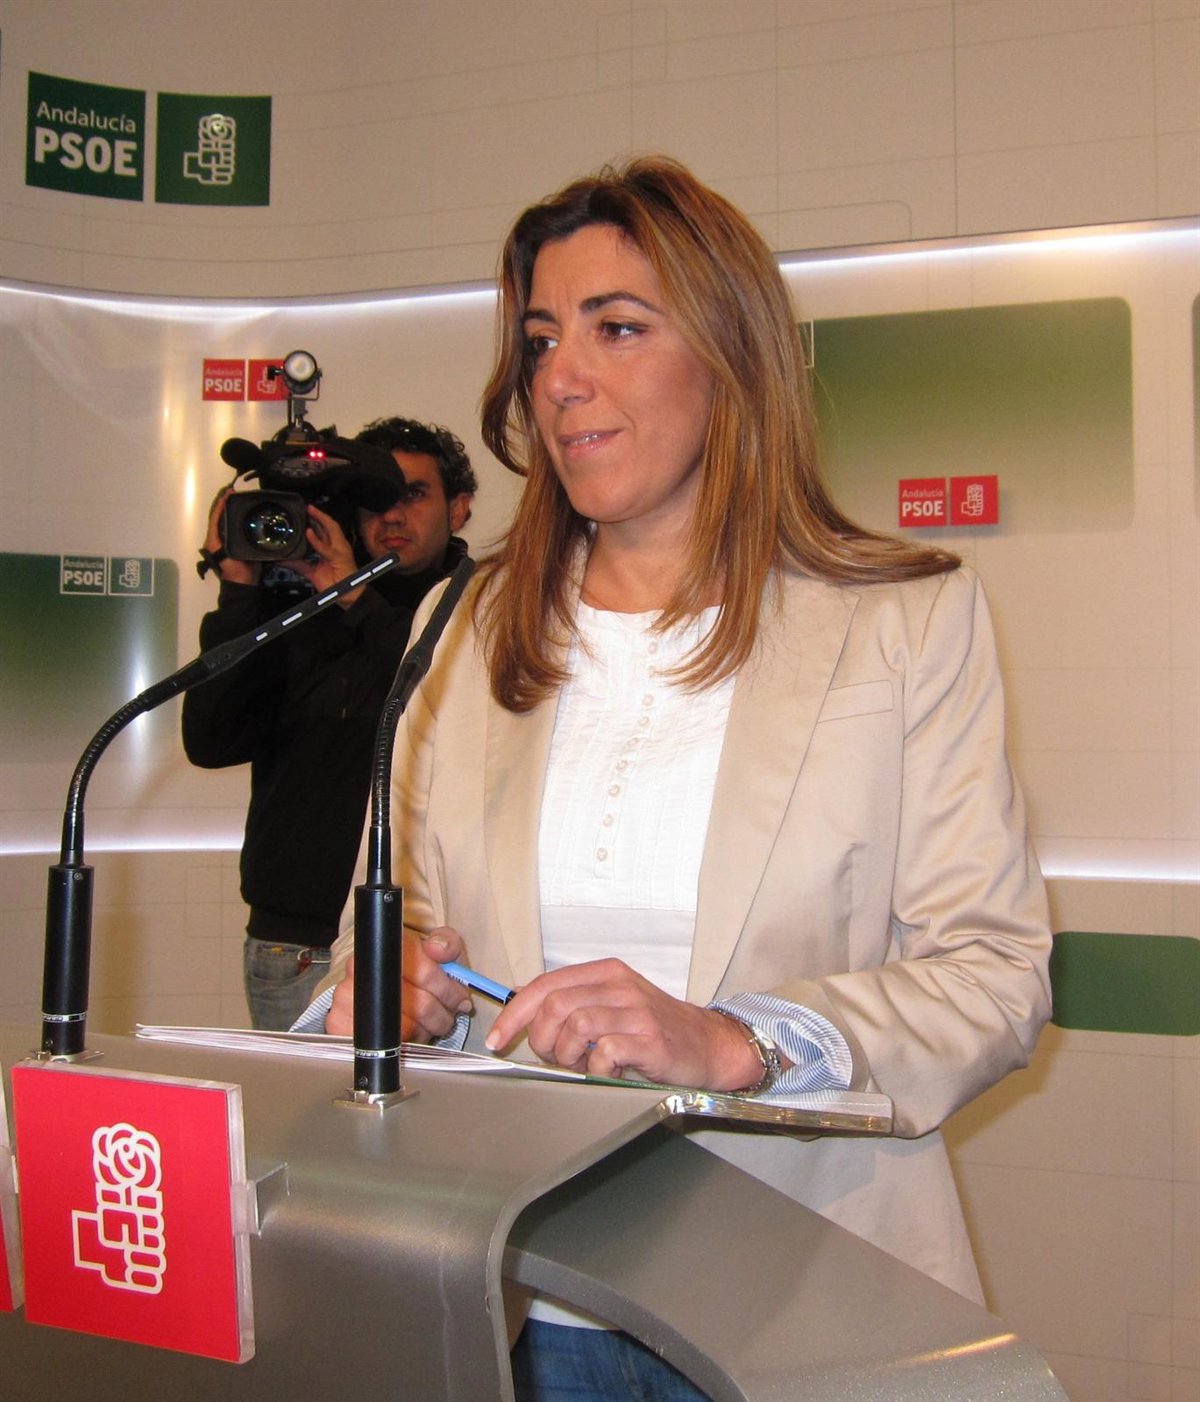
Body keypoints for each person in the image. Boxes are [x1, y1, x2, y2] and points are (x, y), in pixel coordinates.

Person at [302, 157, 1051, 1401]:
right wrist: (383, 994)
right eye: (541, 339)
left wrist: (736, 1039)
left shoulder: (904, 618)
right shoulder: (463, 626)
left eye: (617, 328)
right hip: (515, 1297)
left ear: (730, 355)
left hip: (803, 1295)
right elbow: (370, 941)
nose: (560, 377)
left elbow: (993, 972)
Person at [182, 417, 477, 1031]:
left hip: (427, 943)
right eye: (374, 500)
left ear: (459, 508)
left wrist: (356, 598)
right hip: (292, 944)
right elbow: (211, 740)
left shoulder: (479, 607)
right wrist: (240, 592)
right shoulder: (300, 604)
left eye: (413, 494)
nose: (391, 515)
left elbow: (445, 703)